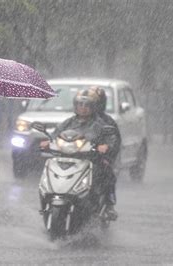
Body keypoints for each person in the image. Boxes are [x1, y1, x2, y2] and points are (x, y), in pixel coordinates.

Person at [40, 87, 120, 219]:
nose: (83, 108)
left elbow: (111, 139)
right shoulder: (68, 122)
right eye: (80, 104)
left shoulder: (100, 124)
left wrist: (105, 147)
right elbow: (55, 135)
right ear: (75, 105)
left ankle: (108, 205)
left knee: (106, 173)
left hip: (91, 160)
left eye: (87, 105)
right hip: (66, 158)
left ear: (94, 107)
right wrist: (48, 142)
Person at [88, 86, 121, 219]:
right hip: (78, 157)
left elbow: (115, 141)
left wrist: (106, 153)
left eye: (93, 102)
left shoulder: (107, 122)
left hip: (98, 159)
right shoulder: (75, 120)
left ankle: (109, 205)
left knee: (108, 175)